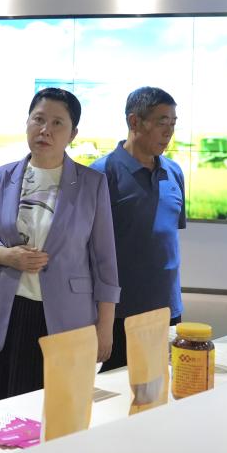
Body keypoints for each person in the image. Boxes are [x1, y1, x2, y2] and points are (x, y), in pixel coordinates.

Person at [0, 88, 119, 400]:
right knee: (10, 404)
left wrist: (105, 326)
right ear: (27, 122)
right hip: (12, 310)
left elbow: (105, 262)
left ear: (73, 134)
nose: (45, 130)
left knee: (63, 405)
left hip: (69, 314)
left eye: (57, 123)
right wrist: (5, 255)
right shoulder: (1, 177)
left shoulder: (92, 184)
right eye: (38, 119)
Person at [91, 86, 186, 372]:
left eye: (173, 124)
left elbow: (167, 237)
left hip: (168, 309)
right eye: (161, 122)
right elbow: (86, 249)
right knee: (117, 389)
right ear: (134, 121)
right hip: (120, 313)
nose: (168, 132)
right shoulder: (101, 173)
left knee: (162, 384)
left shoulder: (174, 172)